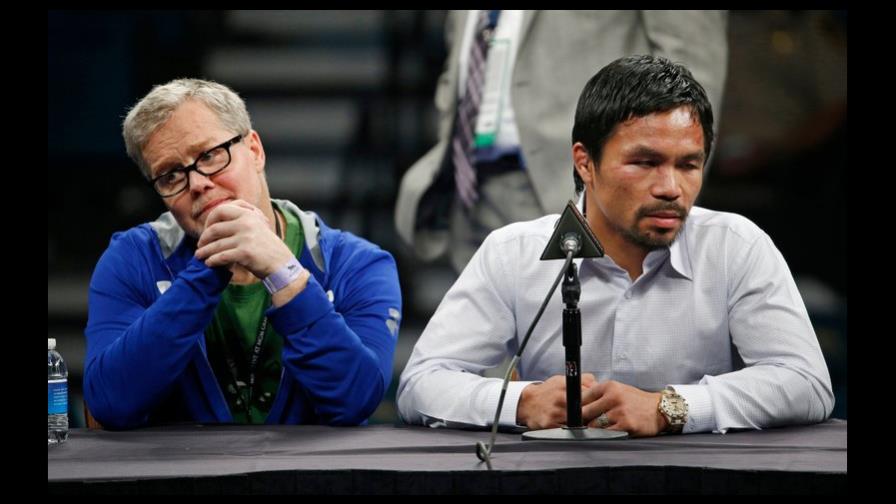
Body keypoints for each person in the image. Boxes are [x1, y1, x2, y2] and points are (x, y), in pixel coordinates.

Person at [397, 55, 833, 437]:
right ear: (585, 162)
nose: (670, 188)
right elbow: (421, 384)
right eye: (645, 162)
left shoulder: (736, 247)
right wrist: (521, 402)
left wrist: (670, 408)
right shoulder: (512, 252)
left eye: (688, 165)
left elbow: (806, 383)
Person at [84, 79, 402, 430]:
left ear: (254, 150)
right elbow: (109, 404)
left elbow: (356, 400)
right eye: (171, 175)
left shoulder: (359, 264)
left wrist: (284, 273)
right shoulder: (132, 259)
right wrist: (208, 268)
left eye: (209, 155)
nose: (198, 183)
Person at [395, 10, 728, 273]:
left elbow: (692, 68)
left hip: (581, 188)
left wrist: (657, 194)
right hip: (470, 187)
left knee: (592, 353)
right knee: (488, 355)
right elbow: (461, 50)